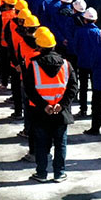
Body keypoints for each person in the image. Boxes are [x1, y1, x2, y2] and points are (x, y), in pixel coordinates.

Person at [25, 27, 76, 182]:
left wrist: (43, 105)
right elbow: (73, 87)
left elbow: (29, 89)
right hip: (61, 113)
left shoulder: (33, 65)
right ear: (53, 45)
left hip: (41, 113)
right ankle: (59, 173)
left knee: (42, 144)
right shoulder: (66, 64)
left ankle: (41, 173)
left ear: (39, 46)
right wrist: (61, 104)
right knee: (60, 144)